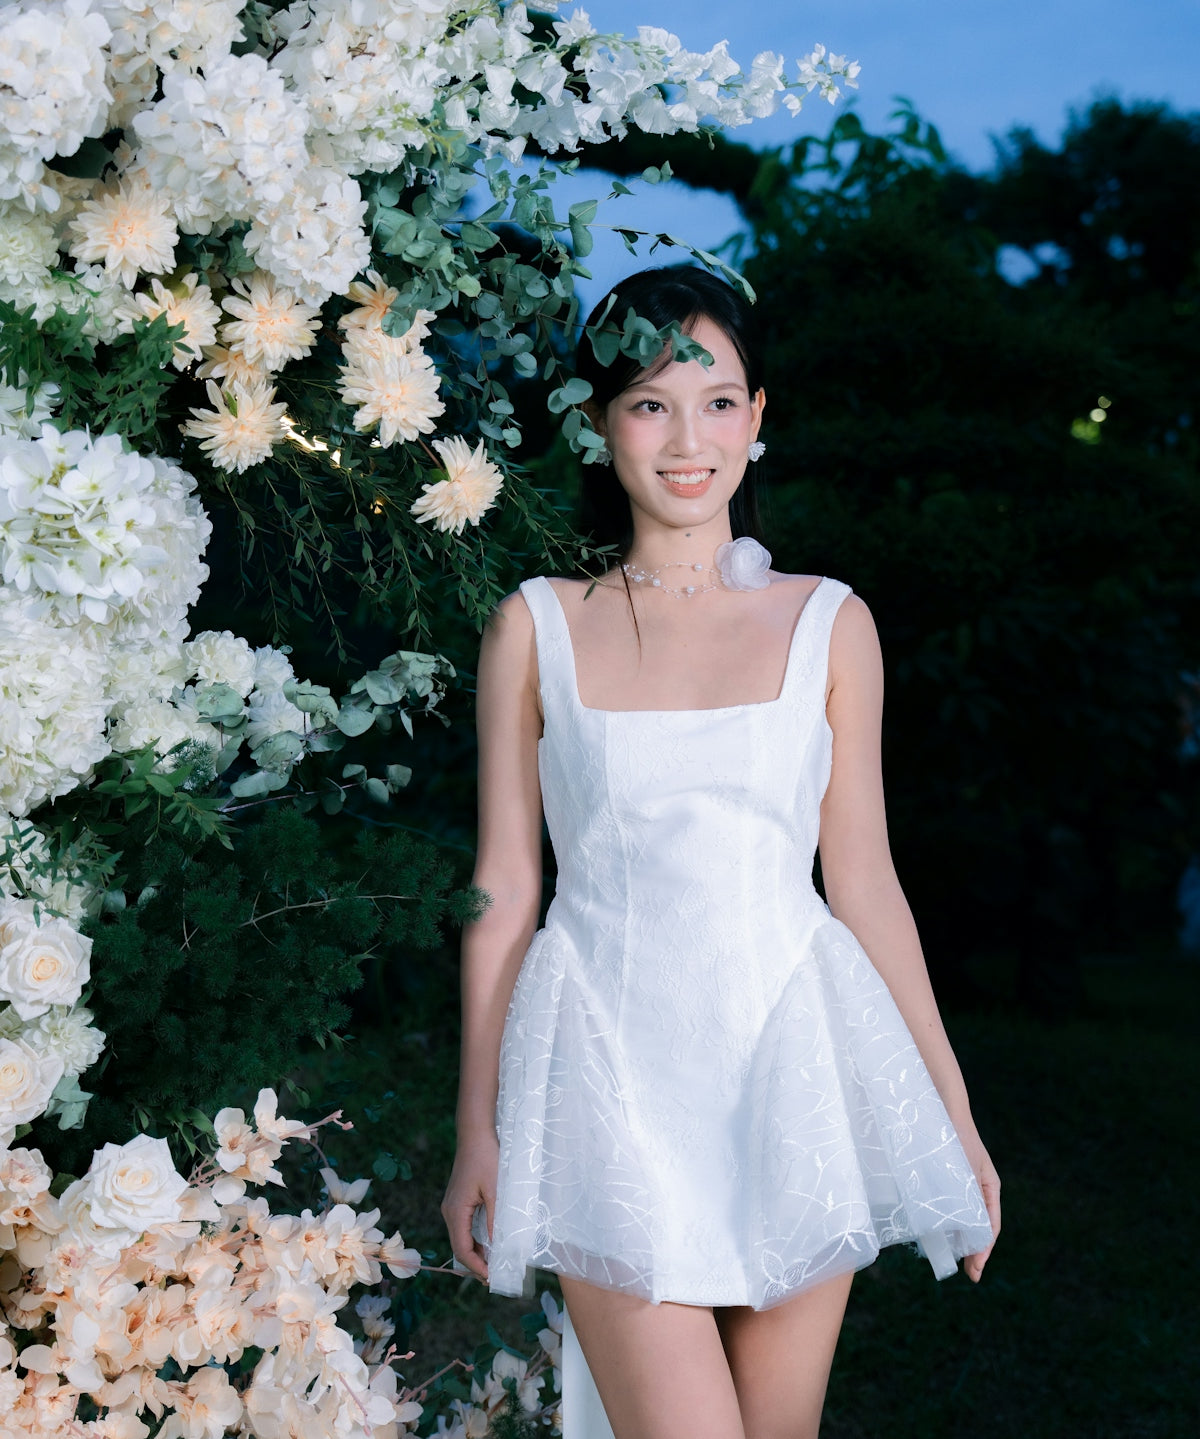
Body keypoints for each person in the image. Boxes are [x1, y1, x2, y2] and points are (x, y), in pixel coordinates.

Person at [442, 265, 1001, 1439]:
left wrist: (951, 1111)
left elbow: (864, 882)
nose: (686, 438)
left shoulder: (828, 621)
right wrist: (478, 1127)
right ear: (599, 424)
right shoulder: (535, 622)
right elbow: (503, 891)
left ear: (760, 416)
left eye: (719, 400)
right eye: (649, 402)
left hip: (791, 1074)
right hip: (607, 1082)